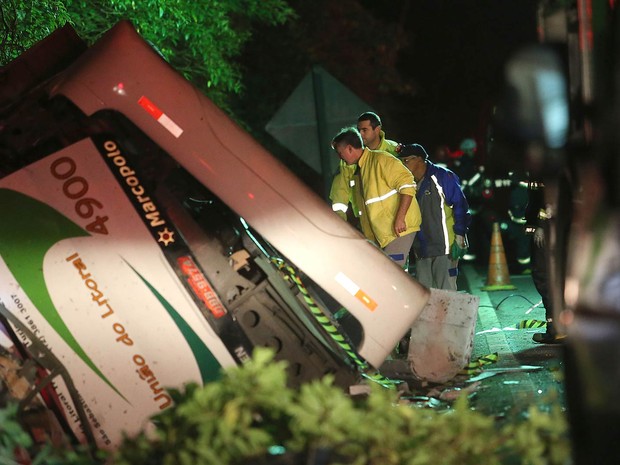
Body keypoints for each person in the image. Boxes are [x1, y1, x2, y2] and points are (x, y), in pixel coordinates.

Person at [331, 127, 420, 269]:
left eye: (340, 153)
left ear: (349, 149)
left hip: (398, 230)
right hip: (386, 233)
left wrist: (400, 218)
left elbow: (407, 185)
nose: (340, 157)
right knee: (392, 276)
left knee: (391, 276)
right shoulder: (364, 166)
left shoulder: (380, 160)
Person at [398, 143, 471, 290]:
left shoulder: (442, 176)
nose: (403, 165)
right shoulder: (406, 183)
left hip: (445, 247)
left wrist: (460, 236)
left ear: (419, 159)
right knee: (425, 295)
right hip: (422, 249)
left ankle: (451, 315)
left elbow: (460, 205)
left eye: (406, 160)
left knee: (446, 292)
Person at [329, 112, 399, 224]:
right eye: (359, 130)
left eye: (364, 130)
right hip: (366, 219)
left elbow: (407, 183)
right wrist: (340, 221)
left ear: (377, 129)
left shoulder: (393, 150)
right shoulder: (348, 161)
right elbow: (340, 193)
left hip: (396, 217)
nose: (360, 133)